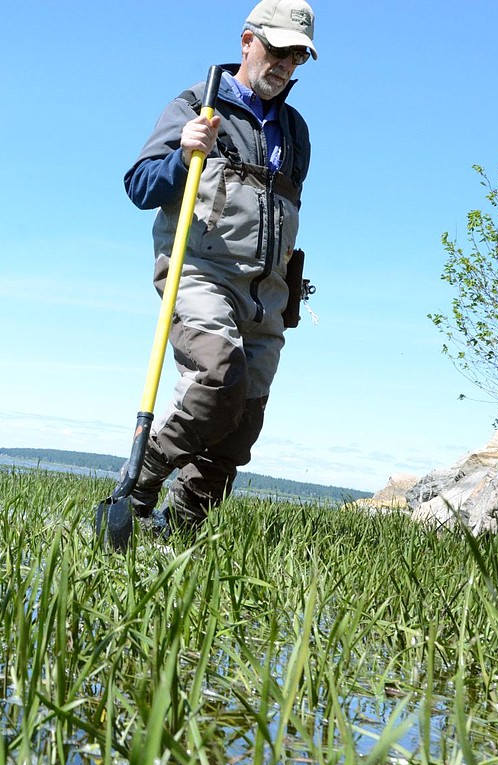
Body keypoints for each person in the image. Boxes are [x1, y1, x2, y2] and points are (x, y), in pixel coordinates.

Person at [121, 0, 317, 536]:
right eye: (277, 50)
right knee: (218, 380)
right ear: (247, 41)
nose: (284, 65)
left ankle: (179, 536)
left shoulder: (295, 130)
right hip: (200, 275)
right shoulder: (194, 105)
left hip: (268, 292)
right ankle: (137, 487)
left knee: (241, 425)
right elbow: (139, 188)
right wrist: (182, 156)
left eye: (296, 56)